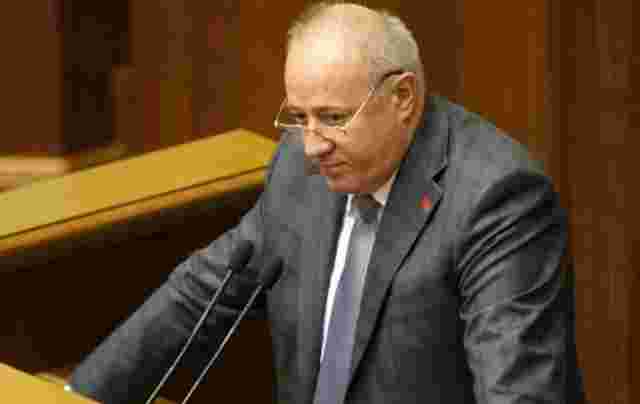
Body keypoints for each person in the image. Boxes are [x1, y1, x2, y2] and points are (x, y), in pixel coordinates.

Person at [70, 2, 583, 403]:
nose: (313, 144)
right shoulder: (301, 168)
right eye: (299, 117)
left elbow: (518, 392)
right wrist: (78, 396)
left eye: (333, 118)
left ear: (402, 98)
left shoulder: (496, 199)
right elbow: (205, 292)